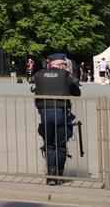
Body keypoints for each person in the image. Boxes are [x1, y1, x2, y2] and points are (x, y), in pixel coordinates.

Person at [31, 53, 81, 185]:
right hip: (61, 113)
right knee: (61, 145)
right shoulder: (65, 76)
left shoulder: (40, 75)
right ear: (60, 64)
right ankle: (59, 174)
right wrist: (69, 76)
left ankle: (51, 175)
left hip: (45, 114)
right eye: (64, 64)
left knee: (49, 144)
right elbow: (77, 93)